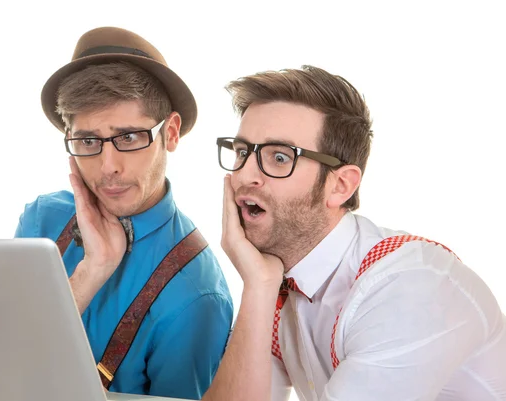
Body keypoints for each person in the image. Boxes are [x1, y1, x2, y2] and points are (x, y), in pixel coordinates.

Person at [203, 65, 506, 401]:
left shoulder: (410, 286)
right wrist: (258, 287)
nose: (245, 175)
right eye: (242, 152)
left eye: (279, 157)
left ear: (340, 186)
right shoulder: (279, 286)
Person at [14, 26, 233, 400]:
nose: (108, 166)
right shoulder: (42, 222)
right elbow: (3, 365)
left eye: (129, 137)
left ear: (172, 133)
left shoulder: (196, 296)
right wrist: (89, 273)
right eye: (88, 141)